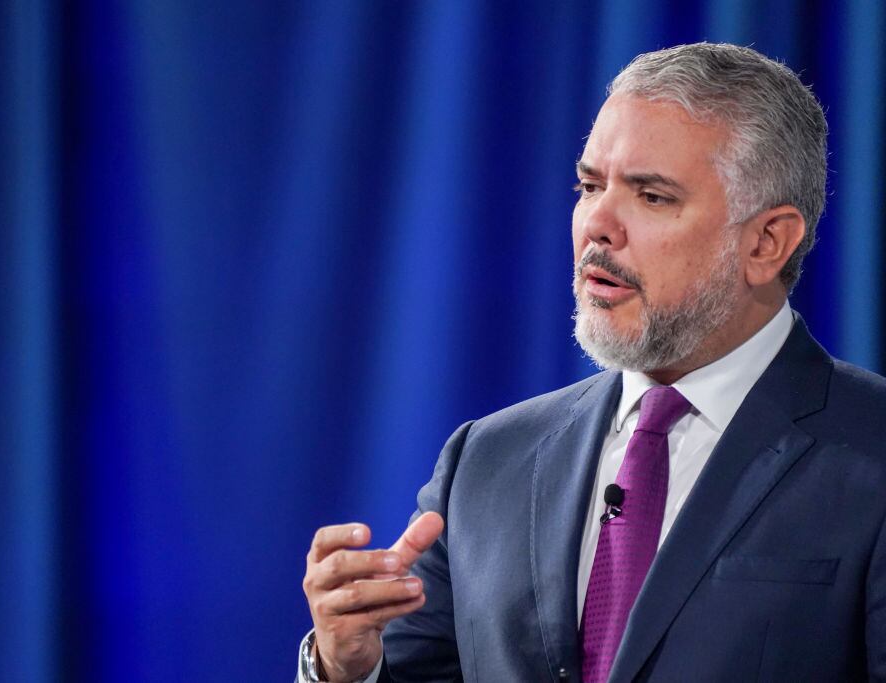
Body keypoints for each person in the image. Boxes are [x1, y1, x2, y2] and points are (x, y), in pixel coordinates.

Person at [298, 43, 886, 682]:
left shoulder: (871, 452)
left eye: (652, 196)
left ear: (766, 242)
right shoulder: (487, 459)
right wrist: (345, 667)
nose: (596, 223)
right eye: (589, 186)